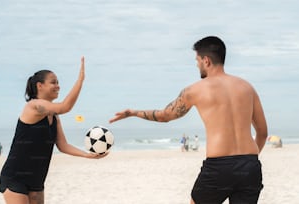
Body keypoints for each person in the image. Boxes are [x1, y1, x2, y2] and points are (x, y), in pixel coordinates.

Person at [109, 36, 268, 204]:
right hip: (250, 165)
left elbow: (165, 116)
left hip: (218, 166)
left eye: (197, 60)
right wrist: (246, 162)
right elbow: (263, 133)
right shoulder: (247, 88)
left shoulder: (195, 90)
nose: (197, 65)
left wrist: (134, 113)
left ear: (206, 60)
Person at [0, 57, 107, 204]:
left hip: (37, 179)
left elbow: (63, 145)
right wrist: (80, 80)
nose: (58, 86)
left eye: (58, 82)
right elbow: (65, 107)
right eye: (53, 82)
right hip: (15, 177)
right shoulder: (34, 106)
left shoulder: (54, 116)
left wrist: (87, 155)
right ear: (40, 86)